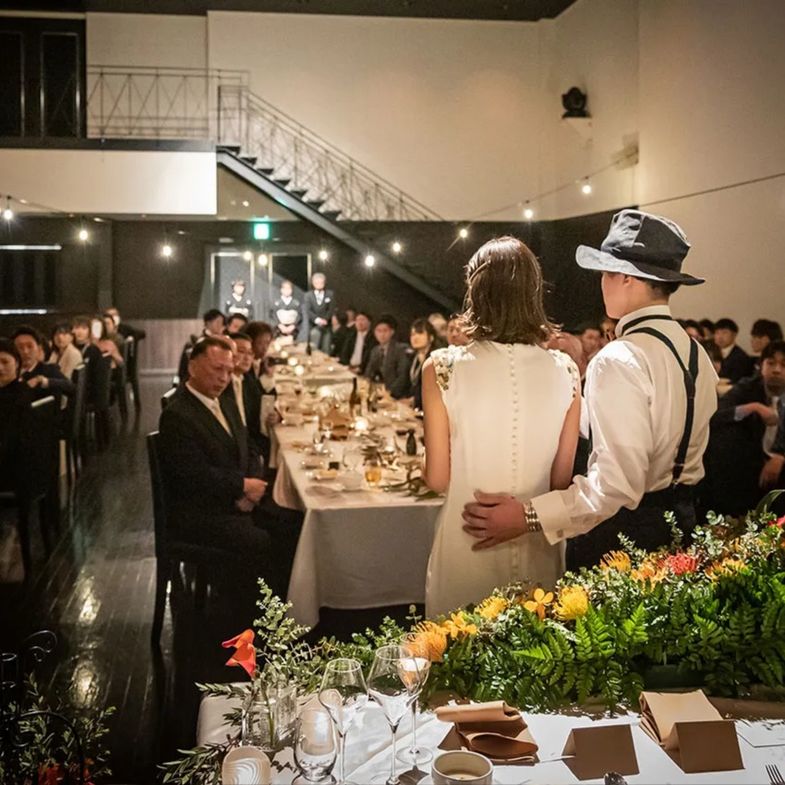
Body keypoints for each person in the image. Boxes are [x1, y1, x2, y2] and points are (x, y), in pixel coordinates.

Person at [461, 210, 717, 571]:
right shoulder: (696, 353)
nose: (601, 283)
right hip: (685, 523)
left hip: (624, 539)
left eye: (604, 272)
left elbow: (615, 486)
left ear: (625, 277)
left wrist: (528, 516)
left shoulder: (619, 358)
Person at [422, 237, 580, 616]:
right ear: (533, 293)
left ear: (476, 293)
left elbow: (438, 479)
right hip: (537, 539)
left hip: (467, 538)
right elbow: (561, 482)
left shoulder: (442, 367)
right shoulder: (567, 370)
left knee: (457, 642)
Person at [157, 336, 297, 598]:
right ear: (193, 367)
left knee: (294, 519)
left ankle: (286, 605)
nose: (224, 378)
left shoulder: (226, 402)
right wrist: (242, 486)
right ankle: (251, 610)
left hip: (235, 498)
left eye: (229, 371)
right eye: (217, 369)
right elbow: (192, 475)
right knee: (264, 540)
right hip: (202, 512)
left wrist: (250, 490)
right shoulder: (178, 415)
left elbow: (250, 448)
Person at [702, 340, 785, 515]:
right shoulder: (748, 387)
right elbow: (716, 415)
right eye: (771, 363)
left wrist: (780, 456)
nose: (777, 370)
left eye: (783, 365)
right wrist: (753, 407)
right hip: (748, 466)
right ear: (761, 366)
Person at [221, 332, 269, 466]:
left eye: (250, 353)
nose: (247, 358)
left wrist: (276, 415)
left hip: (249, 441)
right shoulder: (221, 385)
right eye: (241, 352)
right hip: (233, 450)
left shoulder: (246, 379)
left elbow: (264, 403)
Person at [0, 338, 34, 482]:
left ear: (17, 364)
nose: (0, 368)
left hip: (10, 470)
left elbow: (9, 441)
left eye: (5, 362)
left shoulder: (18, 395)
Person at [13, 326, 75, 403]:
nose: (25, 352)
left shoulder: (49, 370)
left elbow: (72, 388)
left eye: (30, 346)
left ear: (39, 349)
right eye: (20, 347)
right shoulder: (10, 372)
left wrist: (44, 381)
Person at [364, 315, 411, 399]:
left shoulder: (400, 349)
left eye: (385, 331)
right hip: (377, 391)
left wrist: (389, 392)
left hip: (395, 395)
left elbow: (403, 377)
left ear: (392, 332)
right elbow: (369, 372)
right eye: (379, 331)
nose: (382, 334)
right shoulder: (375, 350)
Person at [177, 309, 225, 384]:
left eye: (222, 323)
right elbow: (184, 370)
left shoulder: (223, 342)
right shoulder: (196, 342)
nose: (220, 326)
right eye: (218, 322)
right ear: (208, 323)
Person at [406, 318, 438, 410]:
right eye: (412, 334)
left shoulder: (435, 357)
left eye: (420, 333)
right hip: (415, 408)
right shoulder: (413, 357)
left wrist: (413, 400)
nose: (415, 337)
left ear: (431, 337)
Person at [302, 272, 334, 351]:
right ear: (313, 283)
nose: (319, 284)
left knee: (326, 349)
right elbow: (308, 310)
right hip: (313, 325)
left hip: (326, 326)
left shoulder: (330, 294)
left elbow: (331, 309)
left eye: (321, 282)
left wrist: (325, 320)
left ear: (324, 282)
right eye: (317, 282)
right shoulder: (308, 295)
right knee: (314, 348)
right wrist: (318, 320)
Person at [714, 318, 754, 383]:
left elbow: (737, 381)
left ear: (734, 335)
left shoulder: (741, 357)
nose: (720, 337)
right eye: (717, 333)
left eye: (724, 332)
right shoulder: (712, 353)